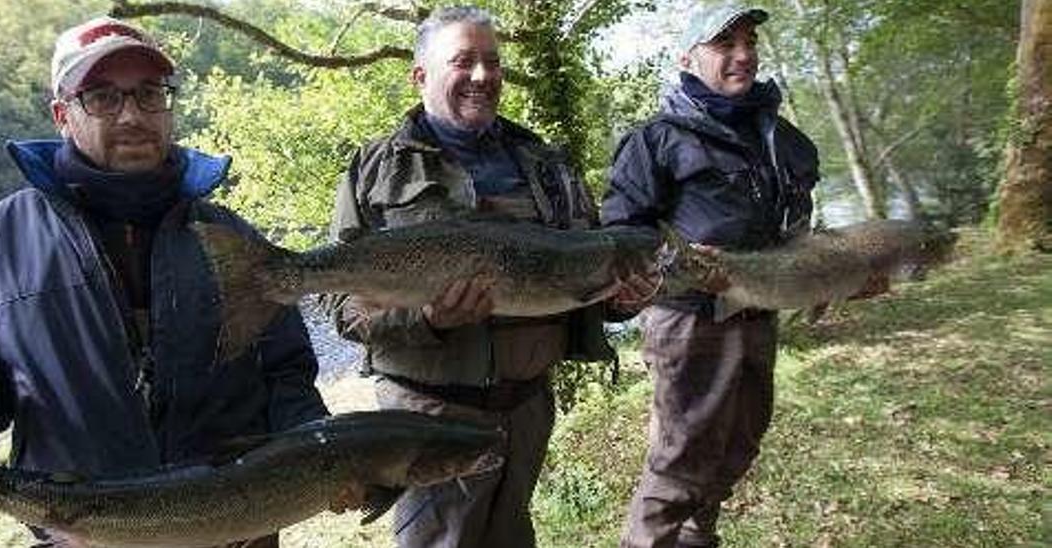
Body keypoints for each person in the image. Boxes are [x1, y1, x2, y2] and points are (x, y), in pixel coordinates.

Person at [0, 16, 330, 547]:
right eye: (102, 97)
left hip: (234, 530)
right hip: (76, 529)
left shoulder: (235, 238)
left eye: (149, 93)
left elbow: (288, 374)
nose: (132, 115)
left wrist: (323, 457)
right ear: (62, 115)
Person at [327, 6, 655, 547]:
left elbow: (590, 272)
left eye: (493, 62)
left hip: (527, 407)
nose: (483, 75)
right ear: (420, 76)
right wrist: (427, 320)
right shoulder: (374, 170)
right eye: (463, 61)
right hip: (426, 417)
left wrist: (626, 300)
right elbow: (340, 307)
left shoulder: (547, 165)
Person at [601, 4, 886, 547]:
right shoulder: (657, 139)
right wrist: (683, 262)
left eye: (749, 41)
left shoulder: (783, 137)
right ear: (688, 58)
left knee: (739, 445)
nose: (743, 54)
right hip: (690, 320)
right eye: (724, 43)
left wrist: (842, 274)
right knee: (680, 463)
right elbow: (621, 234)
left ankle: (695, 538)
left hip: (761, 310)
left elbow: (799, 233)